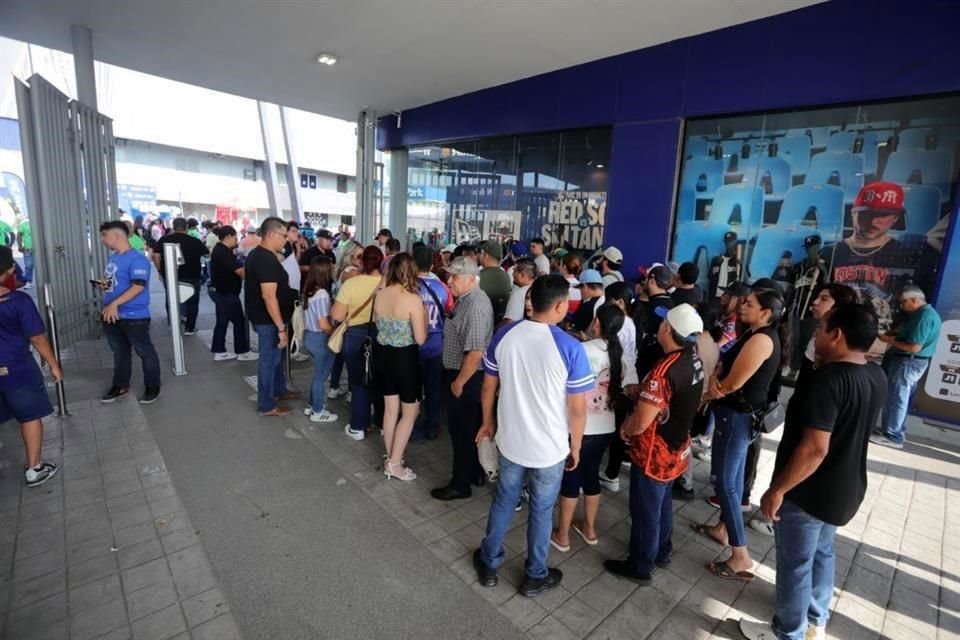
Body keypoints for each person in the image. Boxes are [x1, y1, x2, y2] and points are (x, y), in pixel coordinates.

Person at [739, 304, 886, 640]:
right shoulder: (876, 375)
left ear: (837, 335)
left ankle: (788, 632)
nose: (815, 334)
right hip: (845, 489)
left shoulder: (829, 381)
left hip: (809, 492)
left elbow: (814, 449)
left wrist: (777, 490)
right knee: (822, 552)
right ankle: (815, 619)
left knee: (795, 565)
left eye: (821, 328)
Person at [473, 275, 595, 597]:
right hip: (550, 450)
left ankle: (489, 563)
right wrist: (576, 445)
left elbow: (488, 385)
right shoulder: (571, 348)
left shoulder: (505, 334)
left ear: (531, 302)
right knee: (541, 511)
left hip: (511, 442)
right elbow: (577, 410)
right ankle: (535, 576)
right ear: (560, 306)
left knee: (504, 500)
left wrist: (487, 422)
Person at [605, 303, 704, 584]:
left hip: (654, 453)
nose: (659, 326)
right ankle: (662, 551)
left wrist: (627, 428)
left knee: (644, 510)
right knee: (661, 505)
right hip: (675, 447)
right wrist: (639, 391)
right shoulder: (691, 358)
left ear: (668, 330)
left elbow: (641, 421)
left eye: (663, 323)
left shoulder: (664, 370)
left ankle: (640, 565)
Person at [694, 288, 787, 580]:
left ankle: (740, 555)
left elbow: (732, 383)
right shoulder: (752, 333)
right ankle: (723, 530)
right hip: (734, 415)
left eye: (749, 303)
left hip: (737, 417)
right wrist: (717, 376)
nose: (742, 305)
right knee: (730, 481)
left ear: (765, 313)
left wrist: (710, 389)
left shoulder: (762, 339)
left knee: (726, 484)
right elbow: (724, 367)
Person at [551, 305, 636, 552]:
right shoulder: (619, 355)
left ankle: (562, 535)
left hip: (579, 428)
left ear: (596, 323)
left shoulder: (582, 350)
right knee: (591, 476)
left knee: (571, 478)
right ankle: (589, 529)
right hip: (606, 427)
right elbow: (627, 388)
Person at [820, 181, 930, 333]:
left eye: (883, 215)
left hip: (882, 332)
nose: (873, 222)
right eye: (866, 214)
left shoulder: (906, 256)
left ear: (896, 218)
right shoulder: (829, 252)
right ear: (853, 213)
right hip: (835, 328)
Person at [432, 257, 494, 501]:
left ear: (470, 279)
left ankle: (460, 484)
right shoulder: (467, 299)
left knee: (461, 433)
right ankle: (474, 473)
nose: (449, 281)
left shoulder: (475, 306)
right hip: (463, 374)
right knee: (468, 430)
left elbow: (475, 352)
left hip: (465, 377)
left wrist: (459, 382)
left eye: (454, 277)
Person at [0, 246, 62, 486]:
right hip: (17, 369)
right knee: (29, 416)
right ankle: (34, 468)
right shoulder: (18, 301)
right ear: (9, 270)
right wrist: (53, 364)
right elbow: (36, 337)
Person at [374, 253, 428, 480]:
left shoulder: (380, 294)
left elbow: (377, 324)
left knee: (390, 410)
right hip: (405, 359)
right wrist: (424, 317)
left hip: (383, 355)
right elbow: (421, 339)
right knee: (410, 412)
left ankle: (391, 457)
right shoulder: (412, 299)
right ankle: (395, 464)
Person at [97, 221, 162, 405]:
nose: (102, 239)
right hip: (112, 315)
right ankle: (120, 385)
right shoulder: (114, 258)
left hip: (134, 317)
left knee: (145, 351)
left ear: (116, 236)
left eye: (104, 235)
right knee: (120, 352)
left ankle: (153, 386)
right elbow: (117, 282)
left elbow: (138, 286)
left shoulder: (137, 259)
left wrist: (114, 304)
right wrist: (105, 285)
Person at [871, 284, 942, 449]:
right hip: (909, 361)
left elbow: (914, 347)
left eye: (903, 302)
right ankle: (891, 431)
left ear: (914, 300)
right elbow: (908, 333)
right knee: (896, 397)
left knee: (897, 398)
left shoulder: (924, 317)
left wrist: (889, 341)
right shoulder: (920, 314)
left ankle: (893, 436)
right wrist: (895, 333)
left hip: (909, 361)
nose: (902, 306)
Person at [245, 217, 300, 417]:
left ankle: (279, 390)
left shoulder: (262, 255)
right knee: (269, 361)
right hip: (268, 320)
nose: (286, 240)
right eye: (284, 235)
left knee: (276, 359)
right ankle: (266, 404)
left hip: (271, 318)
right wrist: (281, 327)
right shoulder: (264, 259)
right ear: (271, 234)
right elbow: (268, 296)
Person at [331, 245, 383, 439]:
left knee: (358, 382)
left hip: (354, 336)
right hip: (381, 336)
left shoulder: (351, 284)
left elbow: (337, 315)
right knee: (380, 381)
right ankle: (383, 424)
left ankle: (358, 427)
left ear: (362, 261)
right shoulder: (388, 284)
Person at [674, 303, 721, 500]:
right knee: (684, 438)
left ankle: (686, 482)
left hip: (693, 397)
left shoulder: (695, 343)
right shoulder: (713, 341)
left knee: (682, 439)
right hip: (703, 399)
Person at [412, 247, 453, 442]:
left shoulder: (408, 286)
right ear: (431, 265)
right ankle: (432, 425)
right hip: (436, 346)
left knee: (412, 389)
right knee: (433, 389)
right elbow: (450, 310)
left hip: (412, 345)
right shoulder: (442, 287)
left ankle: (412, 425)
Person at [794, 284, 859, 388]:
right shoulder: (815, 330)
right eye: (817, 297)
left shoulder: (839, 344)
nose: (815, 302)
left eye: (824, 299)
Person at [209, 226, 256, 362]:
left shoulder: (222, 250)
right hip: (225, 293)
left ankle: (219, 350)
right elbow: (240, 271)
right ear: (228, 236)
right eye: (235, 238)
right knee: (239, 322)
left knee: (222, 321)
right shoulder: (223, 252)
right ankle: (242, 351)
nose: (236, 241)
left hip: (222, 291)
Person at [154, 217, 208, 335]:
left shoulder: (164, 240)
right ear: (186, 227)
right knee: (192, 302)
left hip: (171, 275)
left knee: (171, 299)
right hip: (192, 276)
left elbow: (156, 255)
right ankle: (190, 327)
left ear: (173, 227)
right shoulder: (195, 241)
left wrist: (160, 270)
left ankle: (173, 324)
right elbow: (206, 253)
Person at [301, 257, 338, 424]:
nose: (333, 271)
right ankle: (318, 410)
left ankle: (311, 405)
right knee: (321, 377)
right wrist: (335, 332)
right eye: (331, 269)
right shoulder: (322, 294)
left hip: (309, 336)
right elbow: (323, 324)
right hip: (320, 338)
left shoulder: (309, 290)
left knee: (317, 374)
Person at [786, 235, 829, 373]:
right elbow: (790, 287)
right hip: (796, 309)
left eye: (813, 247)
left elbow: (827, 289)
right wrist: (787, 306)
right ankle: (792, 366)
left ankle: (801, 369)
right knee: (793, 339)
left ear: (818, 247)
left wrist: (823, 271)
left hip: (812, 312)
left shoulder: (823, 267)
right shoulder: (799, 266)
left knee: (807, 340)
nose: (810, 250)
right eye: (808, 247)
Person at [633, 265, 675, 379]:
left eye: (646, 279)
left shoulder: (650, 307)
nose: (644, 282)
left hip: (648, 361)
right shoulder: (671, 304)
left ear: (652, 281)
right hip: (663, 360)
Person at [478, 240, 512, 324]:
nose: (479, 256)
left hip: (481, 320)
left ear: (486, 255)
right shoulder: (506, 276)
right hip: (499, 322)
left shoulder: (478, 276)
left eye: (481, 253)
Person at [567, 269, 605, 335]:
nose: (580, 292)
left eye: (580, 289)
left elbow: (573, 330)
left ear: (585, 286)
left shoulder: (588, 306)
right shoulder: (607, 300)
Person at [715, 280, 750, 351]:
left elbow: (717, 345)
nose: (722, 295)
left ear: (735, 299)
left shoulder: (733, 321)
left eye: (726, 294)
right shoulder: (724, 313)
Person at [503, 258, 536, 324]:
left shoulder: (519, 294)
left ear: (522, 275)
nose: (512, 274)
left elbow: (509, 323)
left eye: (514, 271)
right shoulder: (541, 289)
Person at [16, 218, 33, 289]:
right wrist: (20, 246)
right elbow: (19, 235)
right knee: (28, 266)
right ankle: (29, 282)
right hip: (28, 249)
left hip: (40, 249)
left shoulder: (40, 224)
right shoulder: (24, 225)